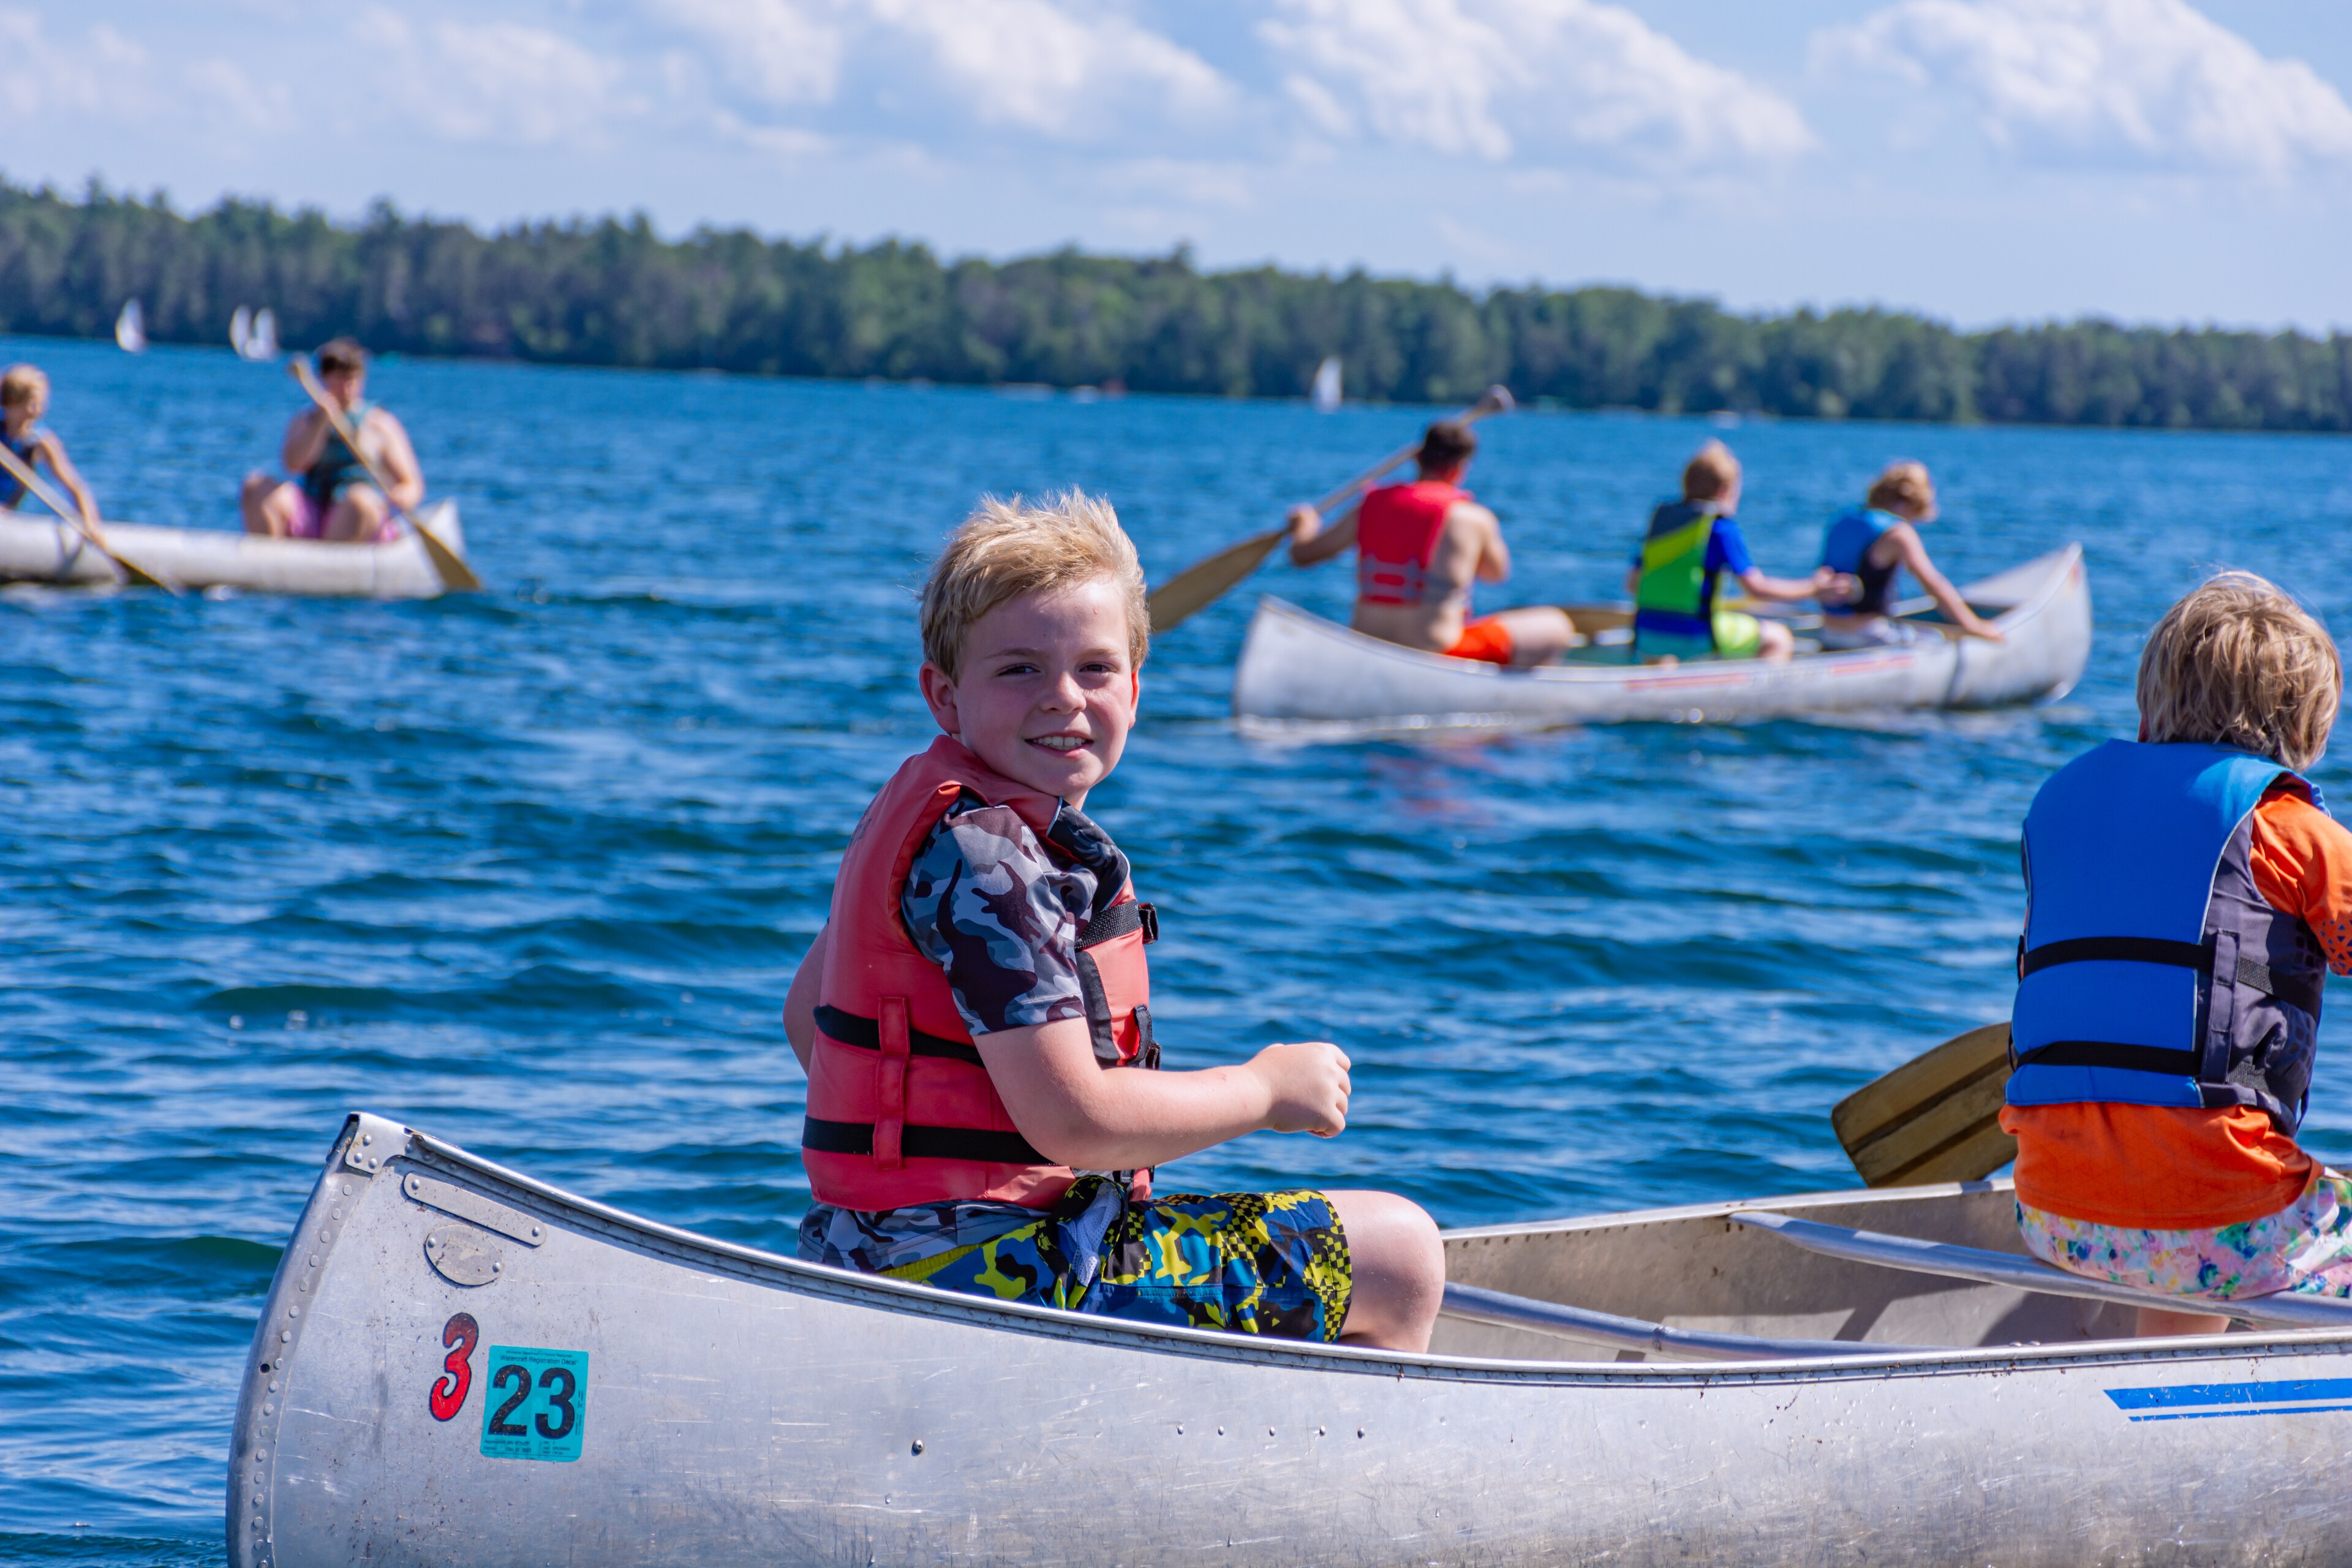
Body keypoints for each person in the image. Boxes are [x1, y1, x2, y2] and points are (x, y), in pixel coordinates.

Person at [783, 491, 1446, 1350]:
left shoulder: (932, 821)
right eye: (1019, 669)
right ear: (944, 698)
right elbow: (1075, 1125)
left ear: (1134, 689)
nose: (1063, 698)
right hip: (984, 1279)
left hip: (863, 1250)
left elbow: (810, 1024)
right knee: (1398, 1253)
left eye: (1094, 669)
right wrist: (1266, 1090)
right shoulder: (996, 864)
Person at [2002, 573, 2352, 1336]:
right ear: (2306, 719)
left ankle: (2151, 1390)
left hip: (2055, 1209)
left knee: (2178, 1224)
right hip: (2220, 1214)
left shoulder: (2058, 804)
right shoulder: (2286, 827)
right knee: (2216, 1203)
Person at [1286, 420, 1574, 666]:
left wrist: (1304, 526)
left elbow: (1303, 555)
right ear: (1460, 469)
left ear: (1417, 459)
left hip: (1368, 646)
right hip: (1437, 652)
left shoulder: (1370, 505)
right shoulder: (1472, 518)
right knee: (1557, 625)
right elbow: (1496, 574)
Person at [1626, 441, 1844, 664]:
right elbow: (1757, 589)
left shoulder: (1662, 524)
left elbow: (1633, 585)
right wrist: (1813, 588)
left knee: (1670, 650)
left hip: (1646, 636)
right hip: (1696, 637)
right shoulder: (1721, 529)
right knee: (1778, 639)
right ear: (1725, 490)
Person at [240, 339, 421, 543]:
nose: (347, 388)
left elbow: (411, 484)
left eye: (352, 379)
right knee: (255, 487)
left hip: (361, 516)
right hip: (314, 510)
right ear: (325, 379)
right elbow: (293, 465)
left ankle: (329, 568)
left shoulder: (380, 424)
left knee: (358, 502)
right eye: (340, 379)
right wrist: (320, 424)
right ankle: (268, 566)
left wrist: (402, 497)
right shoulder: (306, 421)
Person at [1816, 462, 2003, 648]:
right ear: (1911, 501)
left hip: (1828, 632)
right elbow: (1932, 583)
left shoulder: (1845, 519)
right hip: (1867, 635)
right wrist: (1974, 626)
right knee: (1934, 639)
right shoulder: (1898, 533)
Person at [1, 364, 102, 528]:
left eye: (39, 404)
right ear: (10, 402)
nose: (35, 410)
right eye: (30, 403)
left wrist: (91, 525)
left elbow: (76, 487)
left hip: (6, 516)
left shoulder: (39, 441)